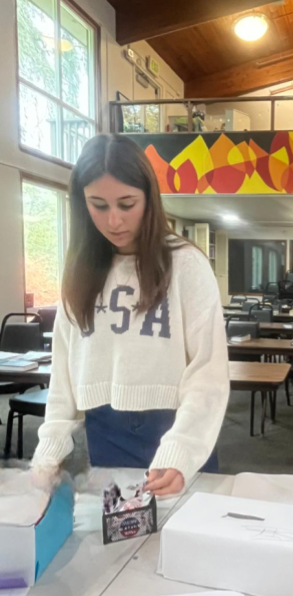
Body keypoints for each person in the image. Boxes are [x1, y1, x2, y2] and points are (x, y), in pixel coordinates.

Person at [32, 134, 229, 496]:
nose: (114, 220)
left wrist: (181, 449)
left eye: (127, 204)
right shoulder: (80, 271)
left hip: (176, 426)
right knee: (118, 548)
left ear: (149, 199)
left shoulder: (185, 264)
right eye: (98, 205)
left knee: (181, 544)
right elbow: (64, 370)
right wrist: (51, 448)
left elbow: (208, 374)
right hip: (104, 430)